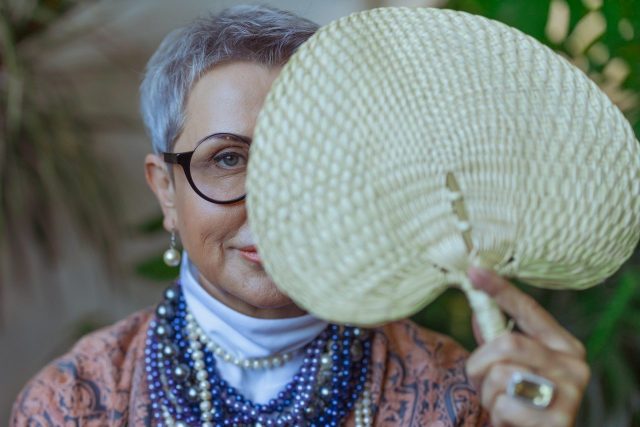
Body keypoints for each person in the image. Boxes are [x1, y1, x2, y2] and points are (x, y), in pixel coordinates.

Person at [10, 5, 589, 426]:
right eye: (229, 159)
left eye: (303, 157)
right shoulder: (74, 401)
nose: (272, 201)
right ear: (166, 191)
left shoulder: (459, 394)